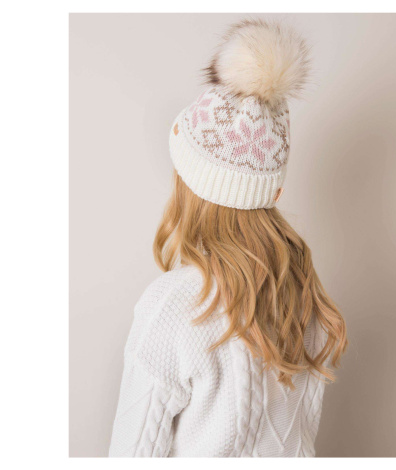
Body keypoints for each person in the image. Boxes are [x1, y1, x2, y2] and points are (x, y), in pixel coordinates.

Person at [109, 18, 347, 458]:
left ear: (191, 183)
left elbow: (132, 455)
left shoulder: (175, 305)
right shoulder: (306, 299)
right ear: (271, 191)